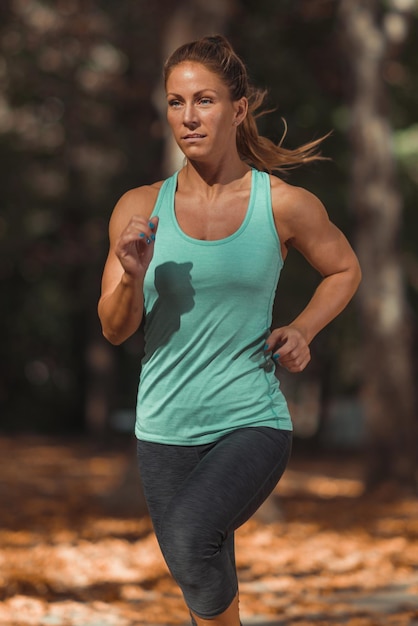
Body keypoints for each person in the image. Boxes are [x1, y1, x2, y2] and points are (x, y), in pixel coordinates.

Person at [98, 34, 361, 626]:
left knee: (192, 538)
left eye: (205, 100)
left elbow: (345, 268)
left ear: (238, 109)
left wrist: (303, 328)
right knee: (202, 582)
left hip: (250, 419)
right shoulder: (139, 208)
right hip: (163, 428)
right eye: (175, 102)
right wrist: (129, 277)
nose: (188, 117)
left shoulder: (283, 204)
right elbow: (115, 330)